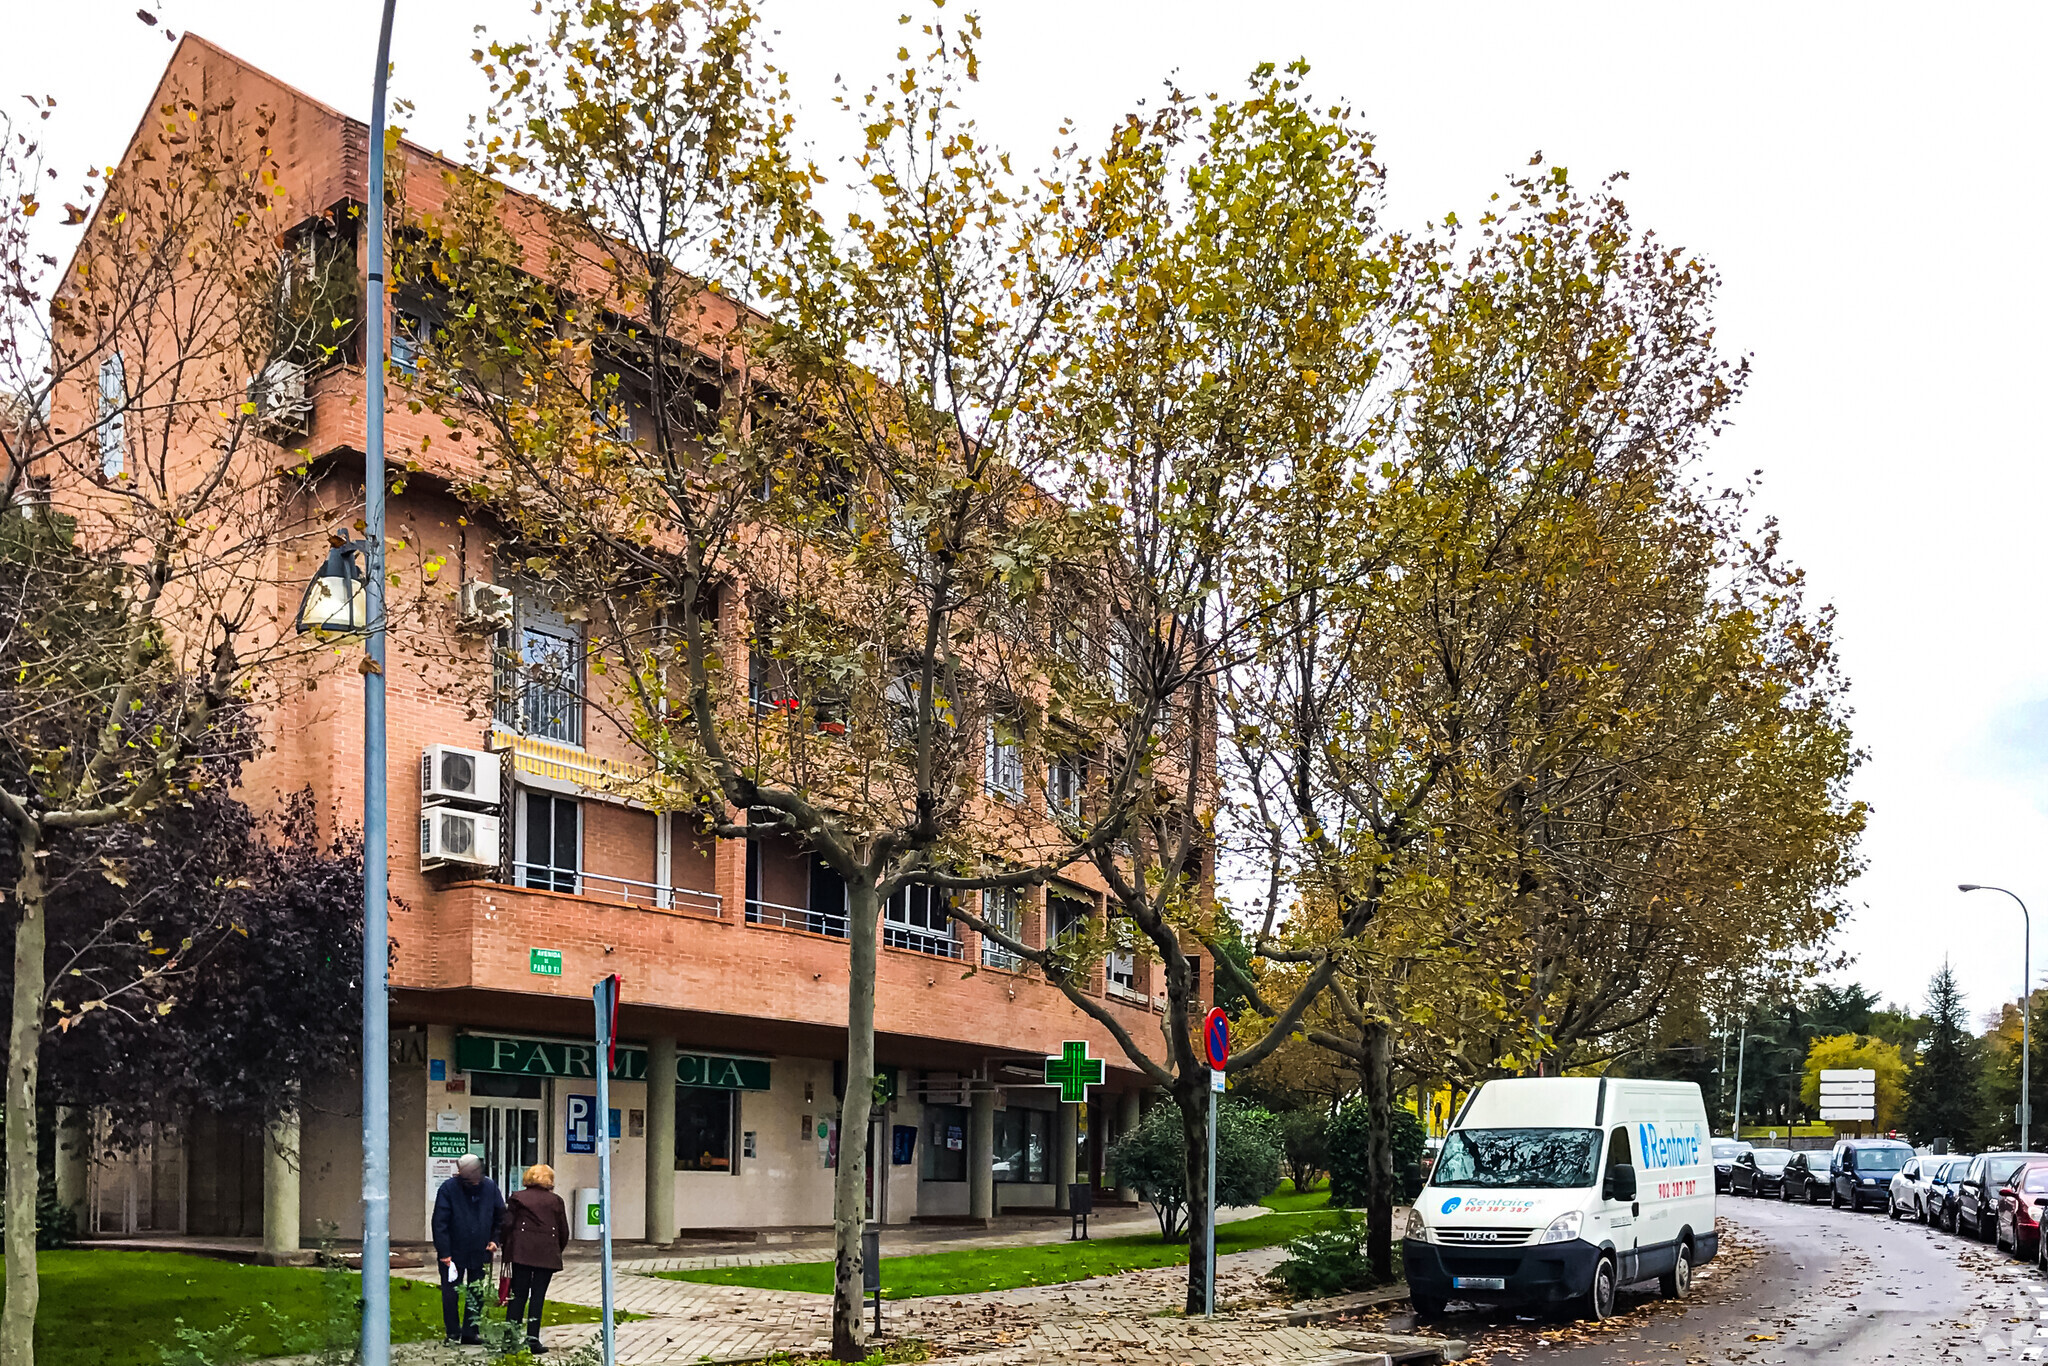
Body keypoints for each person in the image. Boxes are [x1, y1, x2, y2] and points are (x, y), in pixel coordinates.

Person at [432, 1154, 506, 1345]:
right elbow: (440, 1222)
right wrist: (444, 1252)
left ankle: (470, 1332)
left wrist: (495, 1240)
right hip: (454, 1250)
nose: (473, 1178)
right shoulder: (449, 1188)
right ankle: (453, 1332)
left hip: (480, 1248)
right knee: (451, 1292)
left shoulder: (489, 1186)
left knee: (477, 1291)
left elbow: (500, 1215)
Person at [499, 1163, 572, 1354]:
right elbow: (563, 1230)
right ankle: (533, 1340)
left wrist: (505, 1244)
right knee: (537, 1296)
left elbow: (507, 1224)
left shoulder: (517, 1198)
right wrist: (556, 1249)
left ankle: (510, 1339)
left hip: (521, 1253)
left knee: (518, 1295)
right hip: (546, 1254)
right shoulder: (556, 1201)